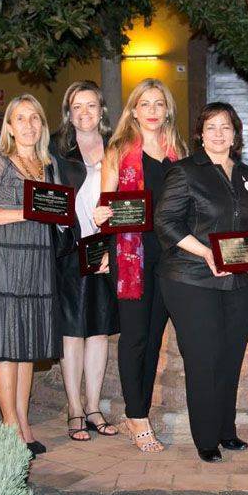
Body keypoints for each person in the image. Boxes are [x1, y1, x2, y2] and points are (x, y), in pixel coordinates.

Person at [156, 103, 248, 463]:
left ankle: (225, 429)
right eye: (211, 127)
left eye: (226, 127)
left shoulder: (247, 174)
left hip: (239, 281)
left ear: (236, 134)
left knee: (230, 357)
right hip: (192, 279)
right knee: (204, 359)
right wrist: (206, 254)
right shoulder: (185, 171)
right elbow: (166, 223)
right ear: (200, 133)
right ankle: (205, 438)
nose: (219, 133)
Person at [93, 78, 186, 452]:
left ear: (166, 110)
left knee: (155, 339)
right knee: (134, 337)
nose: (151, 111)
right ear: (133, 110)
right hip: (131, 254)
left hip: (170, 257)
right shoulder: (117, 152)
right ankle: (137, 416)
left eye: (158, 104)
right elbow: (106, 207)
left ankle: (139, 410)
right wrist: (101, 216)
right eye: (144, 104)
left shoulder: (178, 151)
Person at [0, 94, 62, 456]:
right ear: (8, 126)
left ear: (42, 125)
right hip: (4, 260)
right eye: (20, 118)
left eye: (34, 118)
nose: (28, 125)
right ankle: (8, 427)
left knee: (25, 347)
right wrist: (25, 212)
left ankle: (23, 423)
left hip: (37, 259)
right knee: (6, 347)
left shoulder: (48, 165)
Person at [50, 81, 120, 442]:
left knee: (99, 331)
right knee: (72, 331)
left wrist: (114, 241)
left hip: (106, 249)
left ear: (101, 110)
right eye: (77, 106)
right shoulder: (56, 148)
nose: (84, 113)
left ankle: (94, 407)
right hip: (69, 249)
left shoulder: (118, 146)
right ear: (68, 111)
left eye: (91, 105)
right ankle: (74, 407)